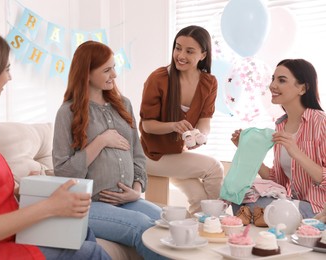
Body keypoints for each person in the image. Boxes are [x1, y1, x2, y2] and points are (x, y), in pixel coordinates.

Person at [0, 27, 110, 260]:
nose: (10, 77)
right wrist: (49, 207)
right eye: (6, 69)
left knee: (81, 229)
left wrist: (25, 189)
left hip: (3, 236)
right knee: (92, 253)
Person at [52, 40, 166, 260]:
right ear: (86, 74)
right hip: (89, 205)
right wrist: (101, 141)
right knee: (142, 227)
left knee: (166, 221)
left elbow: (138, 155)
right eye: (106, 70)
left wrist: (137, 188)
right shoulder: (68, 112)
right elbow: (63, 172)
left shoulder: (123, 104)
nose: (114, 74)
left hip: (129, 199)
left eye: (114, 67)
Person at [139, 25, 224, 215]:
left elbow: (205, 120)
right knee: (214, 168)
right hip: (151, 154)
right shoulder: (158, 78)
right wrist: (173, 126)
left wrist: (201, 135)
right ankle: (218, 222)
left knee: (200, 200)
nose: (181, 55)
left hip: (177, 154)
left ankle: (199, 234)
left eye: (189, 51)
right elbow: (148, 125)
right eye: (178, 48)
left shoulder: (209, 83)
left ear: (203, 54)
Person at [231, 59, 326, 222]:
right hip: (293, 204)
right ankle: (280, 223)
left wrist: (296, 152)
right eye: (273, 79)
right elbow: (277, 181)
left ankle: (283, 222)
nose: (272, 85)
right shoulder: (281, 125)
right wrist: (245, 149)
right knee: (239, 195)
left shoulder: (320, 123)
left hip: (318, 208)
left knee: (257, 209)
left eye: (281, 80)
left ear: (302, 88)